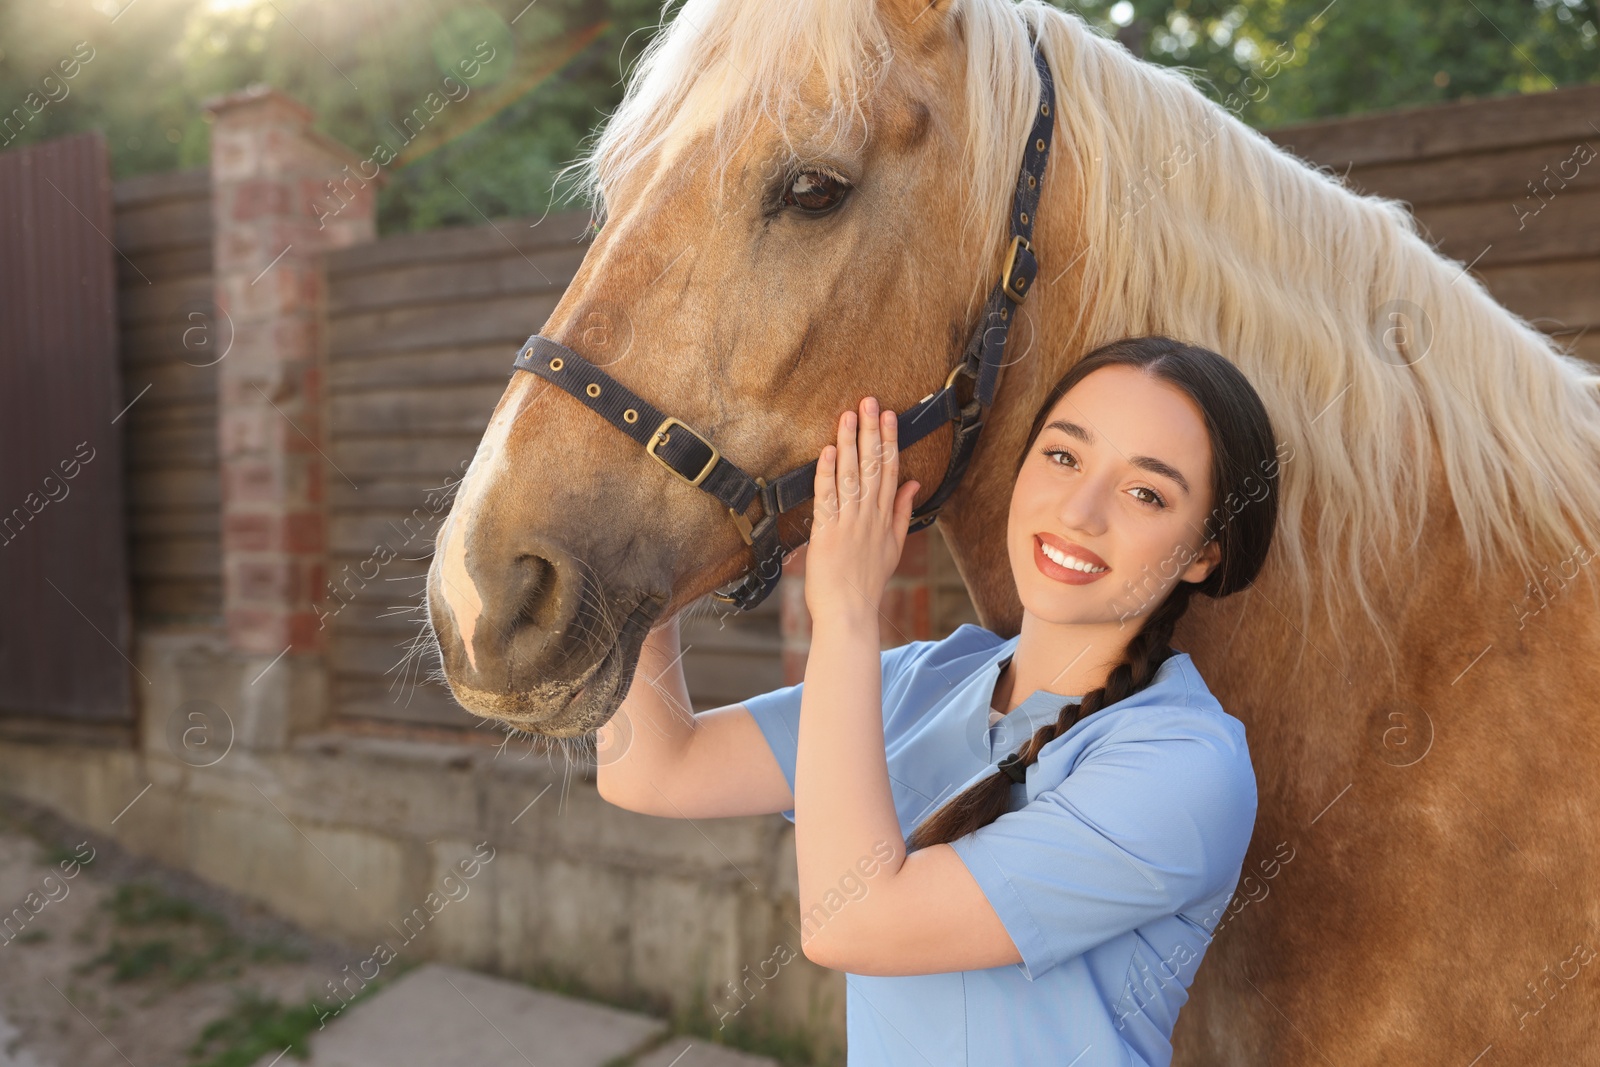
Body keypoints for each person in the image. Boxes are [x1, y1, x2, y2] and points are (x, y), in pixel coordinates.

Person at [596, 335, 1283, 1066]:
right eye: (1063, 455)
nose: (1081, 510)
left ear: (1206, 549)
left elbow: (853, 921)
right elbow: (654, 766)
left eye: (1146, 492)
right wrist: (645, 525)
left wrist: (849, 610)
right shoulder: (921, 681)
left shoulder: (1183, 767)